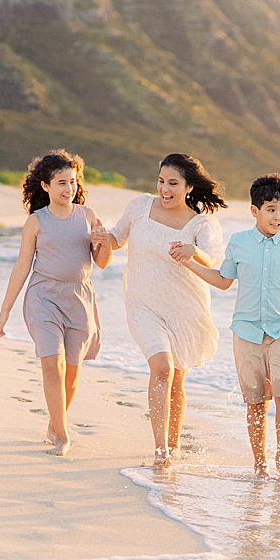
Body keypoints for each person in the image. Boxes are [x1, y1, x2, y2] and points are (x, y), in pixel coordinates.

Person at [171, 173, 280, 481]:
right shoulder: (239, 243)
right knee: (255, 404)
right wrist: (189, 262)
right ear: (255, 211)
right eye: (271, 209)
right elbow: (223, 281)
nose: (278, 216)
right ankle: (260, 465)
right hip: (247, 333)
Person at [92, 153, 226, 468]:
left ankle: (174, 445)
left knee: (177, 379)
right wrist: (102, 238)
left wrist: (195, 252)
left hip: (184, 308)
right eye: (161, 181)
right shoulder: (140, 206)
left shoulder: (201, 223)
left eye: (173, 184)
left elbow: (214, 259)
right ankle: (160, 450)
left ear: (189, 187)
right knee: (162, 368)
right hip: (142, 304)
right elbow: (116, 238)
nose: (165, 189)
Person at [0, 150, 110, 457]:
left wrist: (103, 241)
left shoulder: (87, 216)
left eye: (71, 182)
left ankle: (54, 423)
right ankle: (63, 436)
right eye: (61, 183)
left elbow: (102, 262)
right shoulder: (36, 221)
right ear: (45, 186)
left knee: (72, 371)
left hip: (79, 299)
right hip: (43, 297)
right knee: (52, 365)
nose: (68, 188)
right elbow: (22, 266)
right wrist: (4, 312)